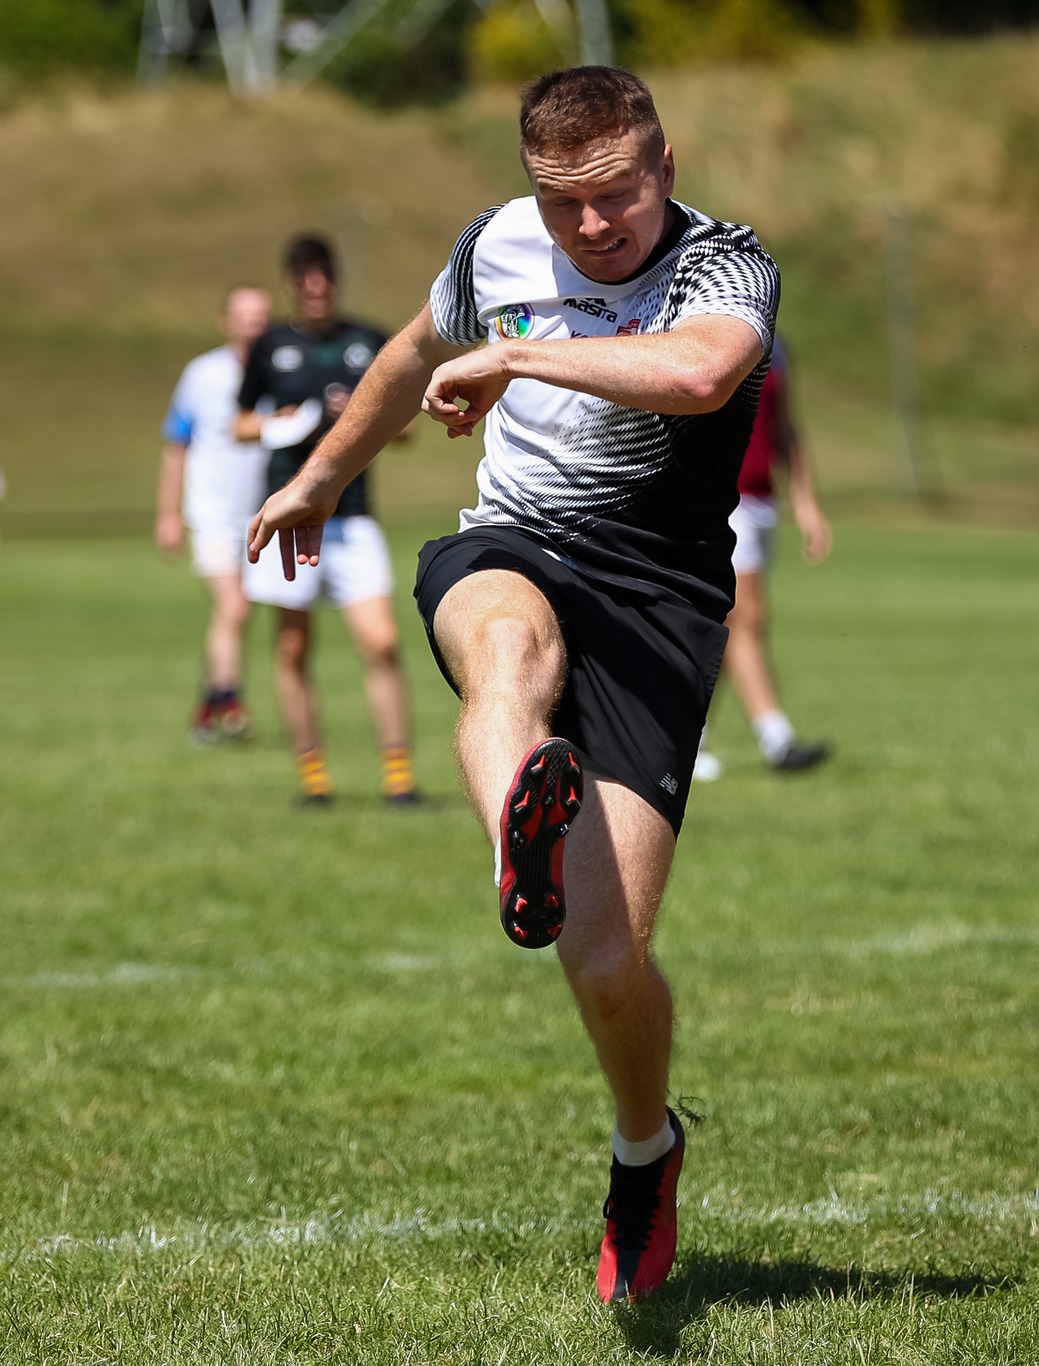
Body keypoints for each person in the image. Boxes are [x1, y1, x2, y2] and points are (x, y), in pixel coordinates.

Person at [246, 66, 779, 1304]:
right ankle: (520, 829)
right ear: (529, 187)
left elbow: (701, 374)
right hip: (516, 547)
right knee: (505, 651)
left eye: (614, 196)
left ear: (663, 166)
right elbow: (406, 356)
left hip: (658, 599)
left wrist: (524, 360)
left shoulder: (724, 263)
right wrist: (321, 478)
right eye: (561, 202)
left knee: (606, 970)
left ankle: (645, 1153)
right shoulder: (494, 244)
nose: (592, 227)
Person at [236, 235, 418, 806]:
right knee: (293, 649)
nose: (315, 287)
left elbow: (406, 427)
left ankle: (398, 777)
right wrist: (278, 422)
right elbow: (237, 424)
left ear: (336, 280)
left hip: (352, 514)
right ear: (292, 283)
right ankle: (313, 778)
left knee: (382, 642)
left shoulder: (367, 341)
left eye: (324, 276)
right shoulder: (269, 347)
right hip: (288, 511)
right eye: (304, 277)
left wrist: (361, 416)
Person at [693, 336, 832, 782]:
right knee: (745, 618)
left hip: (762, 503)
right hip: (722, 500)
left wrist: (806, 504)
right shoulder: (707, 331)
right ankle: (777, 739)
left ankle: (686, 740)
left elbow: (786, 428)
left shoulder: (779, 345)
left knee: (725, 629)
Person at [156, 285, 272, 742]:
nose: (252, 323)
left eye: (260, 314)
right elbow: (176, 445)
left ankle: (209, 705)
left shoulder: (279, 370)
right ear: (225, 321)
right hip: (210, 513)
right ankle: (230, 703)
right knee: (233, 606)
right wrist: (168, 513)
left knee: (238, 614)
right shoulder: (201, 374)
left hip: (261, 514)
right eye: (243, 314)